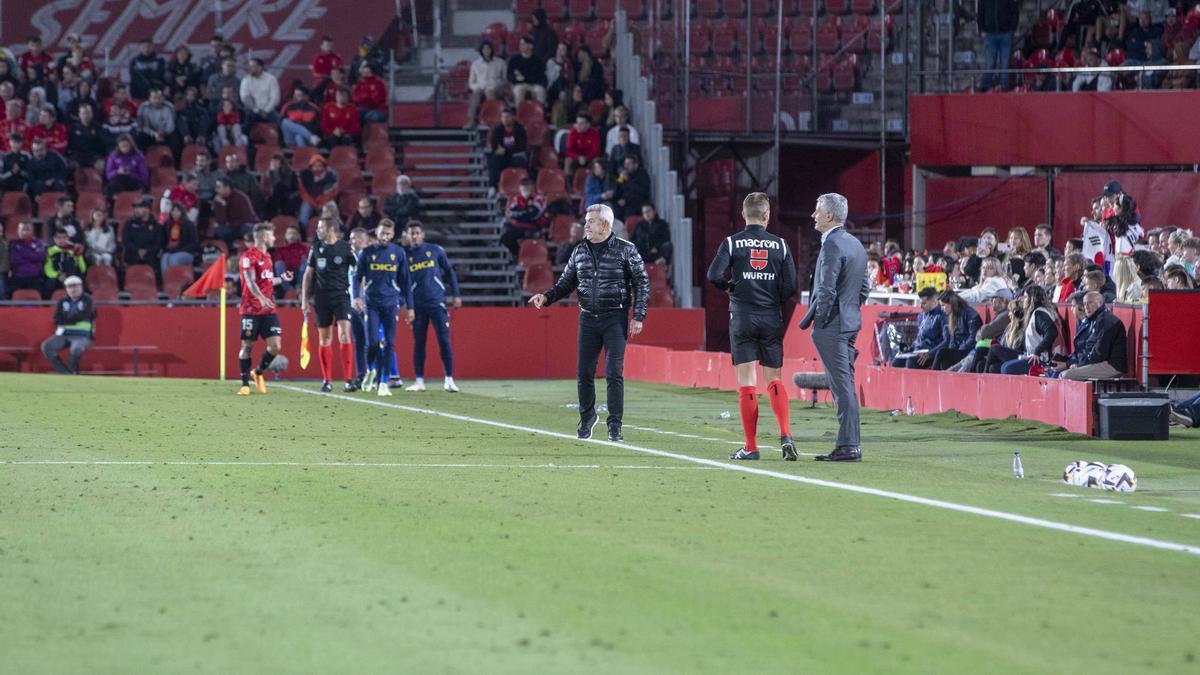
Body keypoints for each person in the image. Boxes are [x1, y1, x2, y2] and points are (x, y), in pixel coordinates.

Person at [529, 204, 649, 441]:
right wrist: (547, 297)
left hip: (615, 318)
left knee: (614, 372)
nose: (586, 226)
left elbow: (641, 283)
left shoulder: (627, 250)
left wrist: (638, 315)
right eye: (586, 221)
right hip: (587, 318)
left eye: (590, 221)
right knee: (584, 372)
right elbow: (566, 283)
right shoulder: (579, 251)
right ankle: (587, 417)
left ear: (605, 224)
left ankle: (615, 425)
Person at [706, 192, 798, 460]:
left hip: (743, 316)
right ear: (767, 215)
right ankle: (785, 435)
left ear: (743, 214)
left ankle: (751, 446)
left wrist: (729, 287)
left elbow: (714, 275)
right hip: (771, 316)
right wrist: (773, 300)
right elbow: (791, 286)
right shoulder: (780, 245)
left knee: (747, 384)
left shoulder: (732, 243)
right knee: (774, 379)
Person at [797, 193, 869, 462]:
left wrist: (824, 320)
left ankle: (849, 445)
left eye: (817, 211)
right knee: (845, 384)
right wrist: (850, 309)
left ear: (829, 216)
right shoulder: (856, 244)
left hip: (834, 325)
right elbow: (864, 288)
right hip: (850, 322)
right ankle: (850, 443)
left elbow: (826, 291)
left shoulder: (832, 246)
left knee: (841, 386)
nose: (814, 216)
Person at [354, 220, 414, 396]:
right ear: (377, 233)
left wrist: (409, 307)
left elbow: (406, 281)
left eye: (388, 234)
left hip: (390, 304)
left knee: (389, 342)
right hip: (371, 303)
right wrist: (357, 296)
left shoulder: (398, 252)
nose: (385, 237)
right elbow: (358, 277)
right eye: (382, 233)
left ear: (392, 234)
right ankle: (370, 370)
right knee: (371, 342)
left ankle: (383, 382)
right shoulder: (367, 252)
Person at [301, 216, 358, 392]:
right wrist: (304, 300)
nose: (317, 231)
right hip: (321, 298)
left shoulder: (346, 248)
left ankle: (348, 380)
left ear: (331, 229)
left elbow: (359, 271)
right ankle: (327, 380)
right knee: (325, 338)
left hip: (341, 296)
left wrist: (360, 295)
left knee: (344, 335)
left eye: (320, 228)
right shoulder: (316, 249)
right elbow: (308, 275)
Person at [404, 221, 462, 393]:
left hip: (437, 303)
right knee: (419, 343)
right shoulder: (404, 255)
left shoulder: (435, 250)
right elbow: (402, 282)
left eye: (416, 233)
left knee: (444, 340)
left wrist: (456, 294)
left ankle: (449, 379)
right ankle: (419, 381)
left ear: (422, 234)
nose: (414, 236)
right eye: (411, 233)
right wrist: (406, 305)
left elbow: (450, 272)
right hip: (417, 306)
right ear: (407, 236)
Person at [237, 222, 293, 395]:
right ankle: (245, 383)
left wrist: (281, 278)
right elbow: (249, 281)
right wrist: (260, 298)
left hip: (268, 309)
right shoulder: (248, 257)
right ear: (263, 237)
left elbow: (267, 281)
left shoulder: (267, 257)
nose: (275, 238)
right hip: (250, 310)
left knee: (275, 346)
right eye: (272, 235)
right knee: (247, 346)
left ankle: (258, 372)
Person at [1049, 291, 1127, 380]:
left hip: (1112, 365)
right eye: (1085, 303)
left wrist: (1078, 365)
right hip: (1099, 362)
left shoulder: (1106, 321)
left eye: (1090, 303)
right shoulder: (1094, 320)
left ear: (1100, 303)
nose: (1086, 306)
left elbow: (1099, 354)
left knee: (1066, 375)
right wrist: (1070, 362)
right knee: (1059, 372)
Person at [996, 285, 1061, 375]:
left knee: (1007, 368)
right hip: (1031, 356)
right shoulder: (1035, 313)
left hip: (1041, 359)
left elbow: (1052, 332)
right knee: (1003, 366)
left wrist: (1037, 351)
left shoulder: (1040, 313)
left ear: (1032, 299)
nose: (1024, 300)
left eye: (1026, 297)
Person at [40, 276, 94, 374]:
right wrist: (73, 318)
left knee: (76, 348)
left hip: (82, 336)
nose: (72, 289)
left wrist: (66, 318)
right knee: (46, 346)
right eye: (69, 287)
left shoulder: (88, 300)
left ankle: (70, 371)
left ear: (81, 287)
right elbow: (56, 319)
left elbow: (84, 315)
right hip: (63, 335)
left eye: (75, 286)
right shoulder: (62, 302)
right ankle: (65, 372)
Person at [892, 286, 946, 368]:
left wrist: (930, 354)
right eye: (920, 303)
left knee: (910, 362)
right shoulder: (922, 316)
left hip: (930, 352)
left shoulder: (942, 316)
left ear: (934, 302)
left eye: (924, 303)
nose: (920, 306)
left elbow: (947, 341)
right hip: (918, 350)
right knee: (896, 361)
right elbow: (919, 338)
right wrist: (909, 349)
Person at [930, 290, 983, 370]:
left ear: (951, 303)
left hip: (969, 350)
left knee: (942, 352)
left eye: (943, 305)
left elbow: (973, 338)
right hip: (960, 349)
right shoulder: (953, 315)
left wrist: (959, 348)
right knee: (945, 362)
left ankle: (932, 377)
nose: (942, 309)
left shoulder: (971, 314)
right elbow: (953, 338)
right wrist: (952, 349)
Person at [978, 0, 1020, 90]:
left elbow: (1015, 11)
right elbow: (980, 12)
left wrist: (1012, 29)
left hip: (1005, 34)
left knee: (1005, 64)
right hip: (990, 34)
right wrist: (981, 29)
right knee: (990, 63)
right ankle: (984, 88)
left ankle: (1004, 87)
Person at [465, 41, 506, 129]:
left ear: (492, 50)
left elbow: (504, 80)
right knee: (476, 94)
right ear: (481, 51)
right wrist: (478, 87)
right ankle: (472, 120)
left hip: (495, 87)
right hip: (481, 87)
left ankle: (493, 118)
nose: (487, 51)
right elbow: (471, 82)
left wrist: (496, 85)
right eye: (484, 49)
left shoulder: (500, 62)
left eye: (488, 49)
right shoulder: (475, 64)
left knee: (489, 91)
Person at [347, 227, 371, 381]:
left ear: (366, 240)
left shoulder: (371, 257)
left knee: (372, 341)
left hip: (370, 304)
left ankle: (375, 373)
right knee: (359, 340)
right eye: (353, 238)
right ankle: (361, 375)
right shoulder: (346, 257)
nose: (355, 241)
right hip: (352, 303)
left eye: (359, 238)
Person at [485, 107, 528, 189]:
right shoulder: (498, 130)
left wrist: (505, 150)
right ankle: (493, 187)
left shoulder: (520, 129)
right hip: (504, 155)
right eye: (503, 117)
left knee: (520, 162)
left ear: (513, 117)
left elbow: (521, 146)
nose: (505, 119)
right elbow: (495, 145)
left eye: (507, 117)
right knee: (494, 161)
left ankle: (522, 186)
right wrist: (508, 151)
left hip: (516, 156)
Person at [501, 177, 546, 256]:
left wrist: (520, 213)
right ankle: (519, 256)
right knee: (505, 238)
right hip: (518, 226)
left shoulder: (539, 199)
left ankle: (525, 256)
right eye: (523, 186)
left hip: (533, 226)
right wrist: (525, 212)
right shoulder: (516, 198)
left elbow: (534, 214)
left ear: (532, 187)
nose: (525, 188)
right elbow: (510, 213)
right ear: (520, 188)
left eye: (528, 186)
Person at [212, 177, 257, 249]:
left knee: (248, 227)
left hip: (242, 225)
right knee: (219, 230)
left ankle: (253, 250)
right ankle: (229, 249)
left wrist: (232, 224)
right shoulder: (218, 200)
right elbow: (221, 221)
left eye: (219, 187)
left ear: (227, 187)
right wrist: (223, 205)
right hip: (231, 227)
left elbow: (248, 217)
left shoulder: (241, 197)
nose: (216, 190)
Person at [9, 221, 48, 298]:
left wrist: (21, 252)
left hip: (35, 276)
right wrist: (31, 254)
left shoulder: (39, 243)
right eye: (22, 229)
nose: (24, 232)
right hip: (18, 276)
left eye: (27, 229)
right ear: (18, 231)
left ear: (32, 231)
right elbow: (14, 259)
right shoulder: (13, 243)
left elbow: (40, 257)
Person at [298, 155, 338, 227]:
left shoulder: (331, 176)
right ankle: (302, 232)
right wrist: (313, 202)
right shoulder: (305, 176)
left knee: (332, 205)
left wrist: (321, 202)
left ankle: (333, 229)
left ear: (324, 166)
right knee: (305, 210)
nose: (317, 168)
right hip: (310, 201)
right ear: (311, 167)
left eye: (319, 166)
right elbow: (303, 193)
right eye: (315, 166)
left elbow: (331, 193)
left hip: (325, 200)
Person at [122, 197, 162, 268]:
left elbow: (158, 243)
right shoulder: (129, 224)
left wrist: (146, 251)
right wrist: (137, 250)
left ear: (148, 209)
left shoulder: (156, 225)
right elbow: (126, 240)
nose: (136, 210)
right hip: (133, 254)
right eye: (135, 207)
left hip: (150, 256)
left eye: (139, 207)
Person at [609, 154, 651, 220]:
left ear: (636, 165)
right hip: (623, 203)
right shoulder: (624, 175)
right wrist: (620, 180)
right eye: (625, 164)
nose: (626, 166)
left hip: (636, 204)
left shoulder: (642, 175)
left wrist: (626, 200)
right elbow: (616, 192)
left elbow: (641, 192)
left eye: (629, 164)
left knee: (629, 213)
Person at [159, 203, 198, 274]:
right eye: (173, 210)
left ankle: (175, 279)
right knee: (164, 258)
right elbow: (163, 241)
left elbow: (194, 244)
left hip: (186, 252)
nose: (175, 213)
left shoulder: (189, 225)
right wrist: (166, 249)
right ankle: (166, 280)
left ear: (182, 212)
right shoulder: (167, 224)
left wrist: (177, 250)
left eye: (177, 211)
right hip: (170, 251)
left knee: (173, 258)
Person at [239, 58, 280, 125]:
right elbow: (245, 98)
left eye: (252, 66)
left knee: (279, 122)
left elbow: (274, 98)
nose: (250, 68)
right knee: (246, 123)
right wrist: (257, 111)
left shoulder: (271, 79)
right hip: (252, 110)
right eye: (249, 66)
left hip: (269, 110)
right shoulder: (246, 80)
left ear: (260, 67)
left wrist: (265, 111)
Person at [508, 36, 547, 104]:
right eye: (520, 44)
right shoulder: (514, 60)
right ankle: (519, 112)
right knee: (518, 90)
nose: (521, 46)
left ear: (531, 46)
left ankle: (540, 112)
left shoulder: (538, 61)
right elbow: (509, 75)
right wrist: (516, 78)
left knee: (540, 91)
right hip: (519, 84)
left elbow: (540, 77)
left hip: (534, 84)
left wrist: (524, 78)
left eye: (523, 44)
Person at [563, 113, 600, 177]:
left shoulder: (594, 133)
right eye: (577, 123)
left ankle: (593, 181)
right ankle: (569, 184)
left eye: (581, 123)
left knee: (597, 161)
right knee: (568, 161)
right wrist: (578, 157)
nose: (578, 125)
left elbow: (596, 151)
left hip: (589, 158)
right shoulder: (572, 132)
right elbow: (569, 150)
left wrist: (586, 158)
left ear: (588, 125)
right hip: (576, 157)